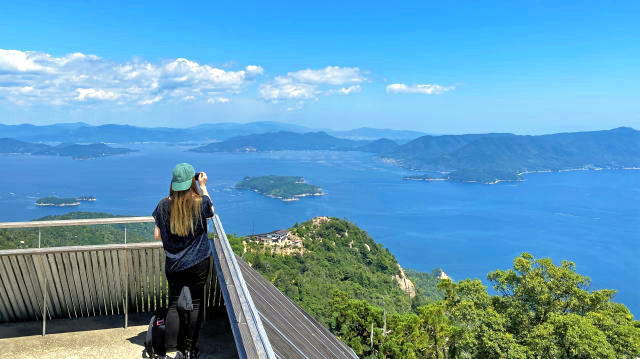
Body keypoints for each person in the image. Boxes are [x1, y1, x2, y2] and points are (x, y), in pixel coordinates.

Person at [153, 163, 214, 359]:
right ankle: (189, 350)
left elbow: (157, 235)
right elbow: (212, 212)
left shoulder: (163, 205)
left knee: (173, 304)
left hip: (173, 264)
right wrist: (203, 186)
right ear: (191, 182)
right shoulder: (200, 202)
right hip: (198, 263)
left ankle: (173, 349)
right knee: (195, 305)